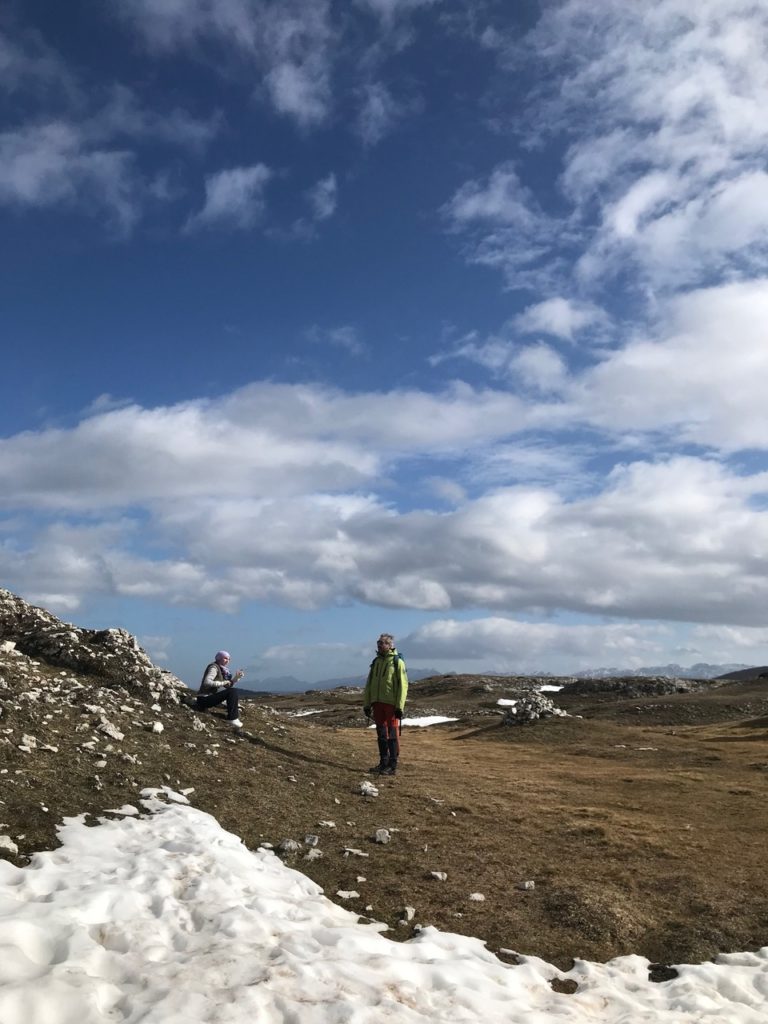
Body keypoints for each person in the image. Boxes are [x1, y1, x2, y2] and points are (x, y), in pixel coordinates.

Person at [363, 633, 409, 775]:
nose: (379, 645)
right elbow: (369, 683)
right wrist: (367, 704)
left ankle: (392, 765)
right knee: (381, 735)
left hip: (391, 704)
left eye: (383, 642)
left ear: (390, 645)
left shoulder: (397, 662)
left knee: (392, 735)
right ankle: (383, 762)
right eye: (378, 642)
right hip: (377, 704)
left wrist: (399, 707)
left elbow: (403, 685)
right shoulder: (376, 662)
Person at [196, 651, 246, 728]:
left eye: (229, 659)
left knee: (232, 691)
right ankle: (232, 718)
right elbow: (207, 682)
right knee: (233, 691)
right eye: (225, 658)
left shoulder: (222, 670)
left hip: (209, 697)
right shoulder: (214, 667)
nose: (227, 660)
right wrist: (223, 682)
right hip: (203, 698)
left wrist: (237, 678)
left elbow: (227, 685)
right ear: (219, 658)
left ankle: (234, 717)